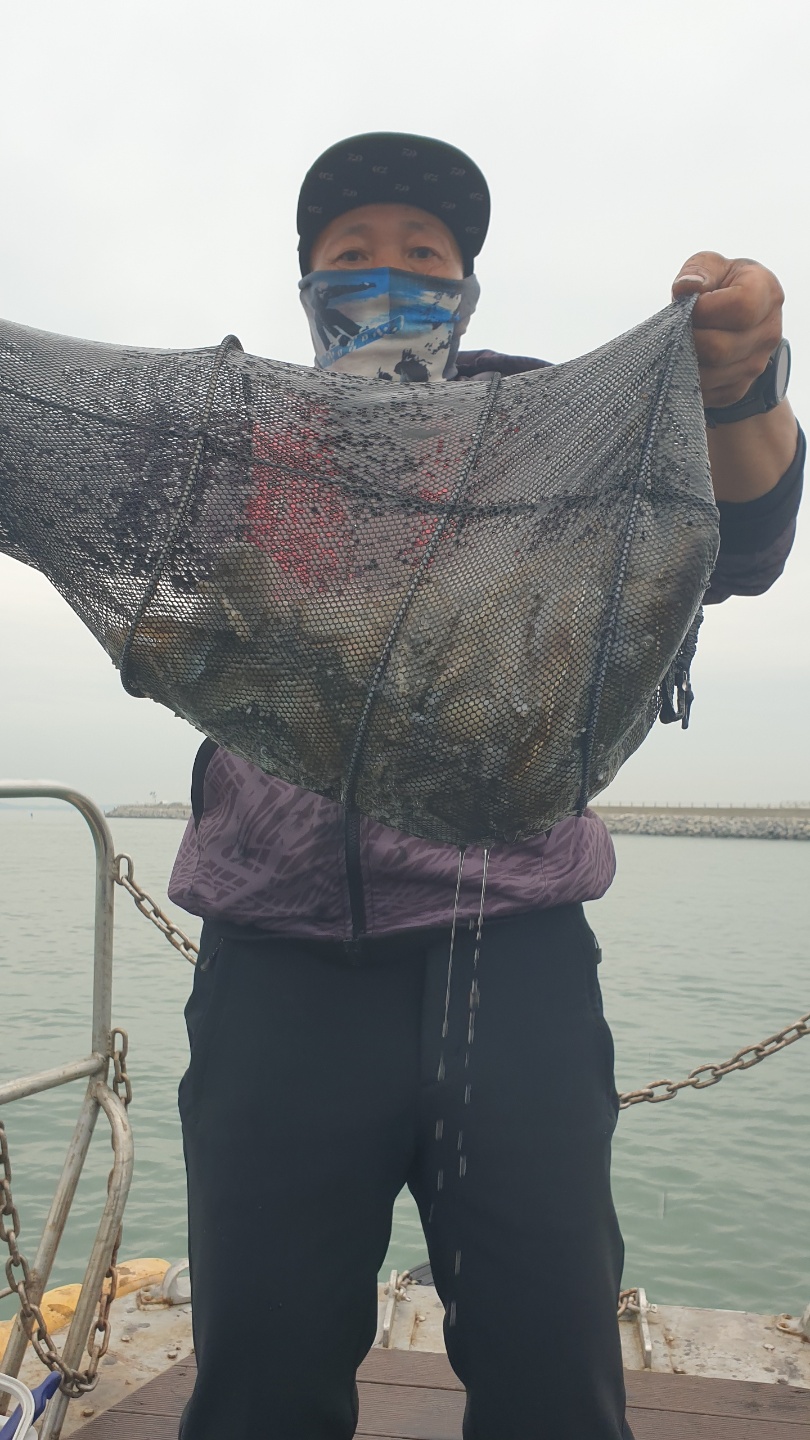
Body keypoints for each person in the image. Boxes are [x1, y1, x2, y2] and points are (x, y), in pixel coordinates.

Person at [171, 133, 804, 1440]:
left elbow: (741, 541)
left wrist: (739, 377)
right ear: (307, 284)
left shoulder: (549, 424)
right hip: (274, 961)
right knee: (256, 1377)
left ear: (465, 289)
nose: (390, 275)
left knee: (552, 1365)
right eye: (354, 252)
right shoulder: (237, 444)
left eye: (424, 254)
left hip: (511, 951)